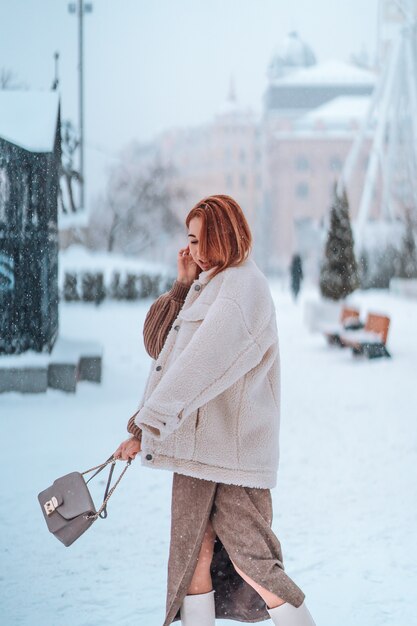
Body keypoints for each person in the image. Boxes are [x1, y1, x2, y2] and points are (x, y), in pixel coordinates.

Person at [114, 195, 316, 626]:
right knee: (194, 556)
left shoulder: (243, 288)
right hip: (196, 452)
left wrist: (145, 426)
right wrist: (183, 284)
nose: (195, 251)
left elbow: (198, 368)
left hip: (235, 457)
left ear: (225, 236)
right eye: (190, 240)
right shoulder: (212, 283)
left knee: (254, 564)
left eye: (201, 240)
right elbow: (159, 346)